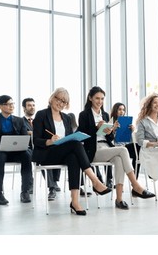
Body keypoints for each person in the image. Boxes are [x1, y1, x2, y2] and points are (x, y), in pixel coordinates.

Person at [32, 88, 111, 216]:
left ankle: (75, 202)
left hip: (62, 152)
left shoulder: (67, 118)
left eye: (64, 101)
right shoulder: (42, 114)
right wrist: (49, 141)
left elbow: (69, 139)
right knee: (75, 145)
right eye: (58, 99)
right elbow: (35, 140)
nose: (60, 103)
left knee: (73, 157)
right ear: (52, 98)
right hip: (47, 154)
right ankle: (95, 181)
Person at [77, 86, 155, 210]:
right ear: (90, 98)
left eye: (102, 99)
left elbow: (110, 138)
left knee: (119, 159)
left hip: (107, 147)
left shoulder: (105, 114)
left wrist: (111, 131)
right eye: (97, 98)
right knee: (123, 150)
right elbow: (82, 135)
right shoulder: (84, 115)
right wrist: (96, 127)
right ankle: (135, 185)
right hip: (94, 150)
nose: (100, 101)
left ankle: (119, 199)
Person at [0, 95, 34, 205]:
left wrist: (21, 145)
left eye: (12, 104)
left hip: (16, 151)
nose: (11, 106)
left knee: (27, 155)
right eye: (8, 104)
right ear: (0, 106)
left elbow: (25, 138)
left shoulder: (19, 121)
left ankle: (25, 191)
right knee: (0, 156)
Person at [23, 97, 61, 200]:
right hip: (28, 147)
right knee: (40, 156)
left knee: (53, 150)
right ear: (24, 108)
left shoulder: (41, 119)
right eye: (29, 105)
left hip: (42, 145)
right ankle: (46, 185)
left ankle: (54, 182)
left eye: (33, 105)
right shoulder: (20, 121)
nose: (32, 107)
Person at [110, 102, 141, 174]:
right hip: (116, 147)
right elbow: (108, 138)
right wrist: (113, 129)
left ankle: (134, 177)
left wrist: (132, 131)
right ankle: (132, 177)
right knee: (136, 149)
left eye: (123, 110)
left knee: (138, 151)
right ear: (115, 111)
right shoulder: (110, 122)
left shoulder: (126, 122)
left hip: (125, 146)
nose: (122, 112)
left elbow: (130, 140)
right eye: (119, 109)